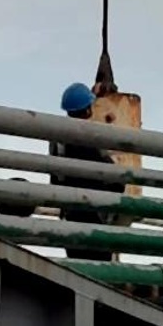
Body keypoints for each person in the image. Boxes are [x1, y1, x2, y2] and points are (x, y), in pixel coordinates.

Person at [50, 82, 125, 262]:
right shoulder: (91, 139)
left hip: (70, 212)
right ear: (88, 110)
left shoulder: (58, 139)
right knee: (100, 266)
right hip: (95, 214)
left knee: (78, 264)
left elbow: (55, 178)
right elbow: (115, 181)